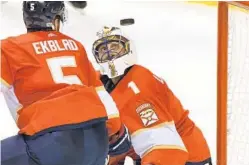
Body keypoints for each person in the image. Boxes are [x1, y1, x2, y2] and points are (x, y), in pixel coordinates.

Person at [0, 2, 130, 165]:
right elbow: (103, 97)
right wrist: (114, 132)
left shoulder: (9, 48)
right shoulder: (75, 45)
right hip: (96, 140)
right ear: (55, 20)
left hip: (50, 142)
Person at [92, 26, 212, 165]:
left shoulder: (139, 90)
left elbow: (164, 147)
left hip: (186, 156)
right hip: (147, 151)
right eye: (102, 49)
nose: (109, 52)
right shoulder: (103, 81)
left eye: (114, 46)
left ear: (128, 49)